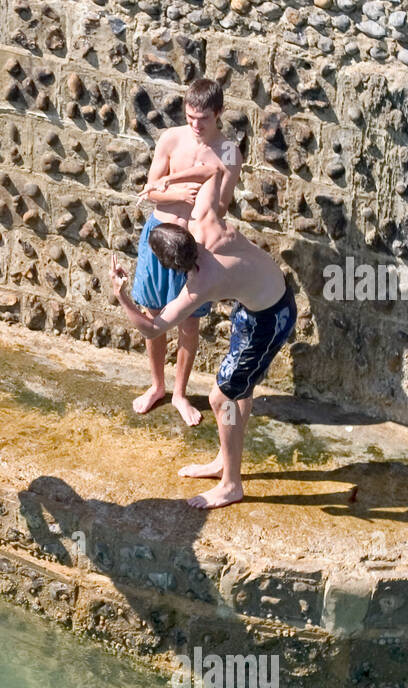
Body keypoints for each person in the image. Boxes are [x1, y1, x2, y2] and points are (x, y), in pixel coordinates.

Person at [112, 159, 297, 510]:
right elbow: (215, 169)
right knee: (239, 389)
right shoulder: (205, 222)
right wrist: (172, 176)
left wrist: (122, 295)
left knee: (221, 397)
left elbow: (152, 327)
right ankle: (226, 460)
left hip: (272, 319)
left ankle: (231, 485)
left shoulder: (199, 285)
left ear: (173, 266)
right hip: (261, 302)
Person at [130, 77, 243, 426]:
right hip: (159, 237)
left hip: (194, 244)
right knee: (153, 315)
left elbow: (221, 207)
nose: (195, 125)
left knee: (189, 323)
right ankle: (157, 386)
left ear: (218, 113)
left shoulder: (227, 151)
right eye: (191, 116)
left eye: (203, 119)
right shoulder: (171, 138)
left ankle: (179, 393)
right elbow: (150, 190)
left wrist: (205, 198)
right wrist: (179, 195)